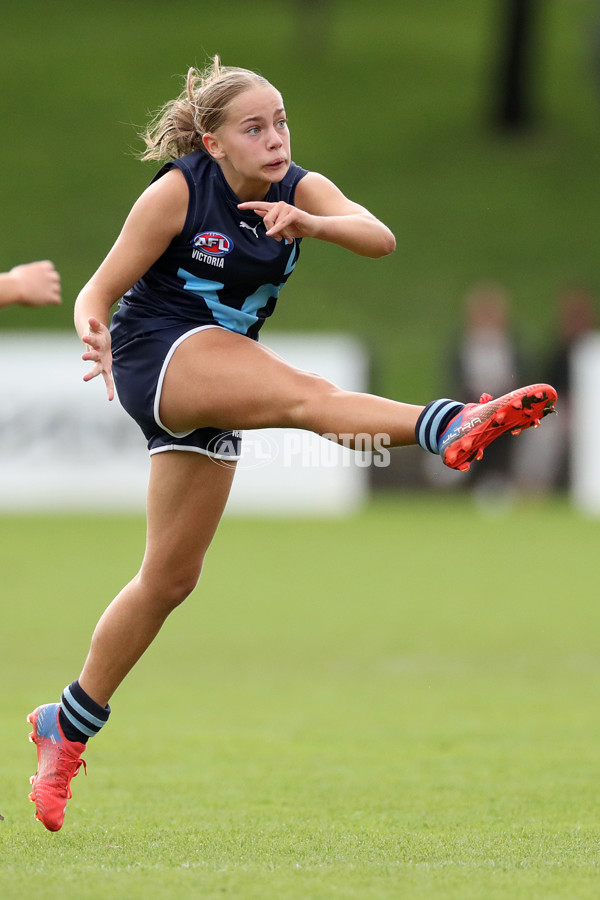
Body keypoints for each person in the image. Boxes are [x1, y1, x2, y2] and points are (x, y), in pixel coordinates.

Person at [26, 57, 557, 831]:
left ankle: (65, 724)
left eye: (280, 122)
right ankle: (448, 424)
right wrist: (90, 326)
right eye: (254, 128)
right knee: (307, 397)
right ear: (213, 143)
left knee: (168, 580)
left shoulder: (298, 187)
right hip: (161, 358)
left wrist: (313, 222)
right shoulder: (177, 190)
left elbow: (378, 238)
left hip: (218, 380)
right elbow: (97, 290)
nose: (274, 139)